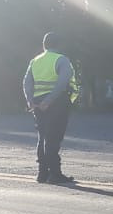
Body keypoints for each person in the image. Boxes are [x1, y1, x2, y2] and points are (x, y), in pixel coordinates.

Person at [22, 33, 76, 183]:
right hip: (56, 103)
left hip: (37, 102)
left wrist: (30, 101)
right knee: (53, 138)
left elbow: (26, 82)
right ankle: (55, 174)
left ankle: (42, 174)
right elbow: (62, 83)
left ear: (44, 45)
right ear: (59, 45)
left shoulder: (35, 61)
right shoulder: (61, 60)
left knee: (43, 137)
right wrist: (49, 100)